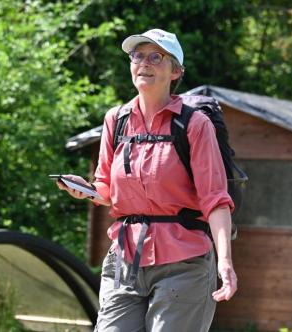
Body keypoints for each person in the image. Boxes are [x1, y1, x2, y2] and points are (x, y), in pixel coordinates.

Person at [56, 28, 237, 332]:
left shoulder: (194, 125)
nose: (145, 63)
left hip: (184, 263)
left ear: (176, 70)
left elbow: (216, 200)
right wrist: (86, 191)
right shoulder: (116, 120)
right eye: (138, 56)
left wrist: (225, 262)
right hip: (125, 261)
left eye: (156, 57)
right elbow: (107, 190)